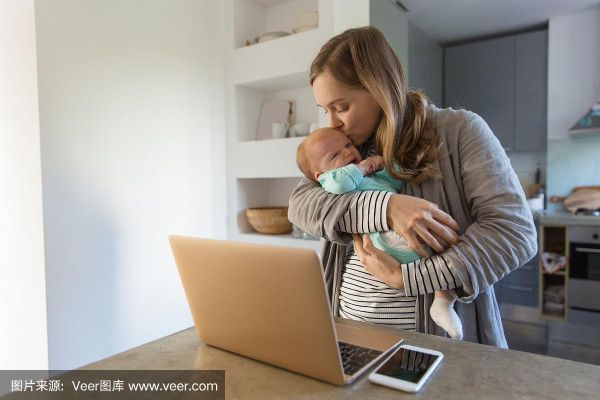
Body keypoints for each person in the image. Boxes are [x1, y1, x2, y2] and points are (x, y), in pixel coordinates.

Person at [288, 26, 537, 347]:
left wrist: (409, 279)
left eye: (341, 107)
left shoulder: (460, 131)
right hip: (346, 336)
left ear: (379, 88)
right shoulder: (346, 145)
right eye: (326, 110)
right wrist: (387, 210)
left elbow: (514, 233)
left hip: (431, 346)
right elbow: (301, 203)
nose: (332, 122)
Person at [297, 127, 463, 339]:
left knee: (443, 245)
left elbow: (396, 180)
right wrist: (364, 167)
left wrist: (387, 164)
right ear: (319, 175)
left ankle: (442, 302)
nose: (348, 152)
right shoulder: (332, 181)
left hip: (406, 241)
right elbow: (340, 182)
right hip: (386, 243)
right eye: (336, 155)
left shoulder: (370, 175)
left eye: (348, 145)